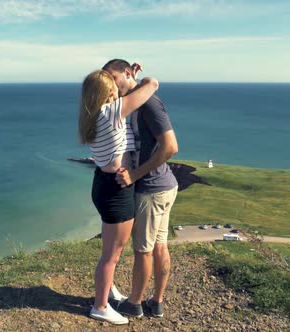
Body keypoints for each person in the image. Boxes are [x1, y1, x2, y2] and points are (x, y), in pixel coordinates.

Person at [78, 69, 159, 324]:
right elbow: (152, 85)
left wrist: (129, 77)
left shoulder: (93, 115)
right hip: (116, 189)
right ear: (105, 91)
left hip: (103, 183)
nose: (117, 87)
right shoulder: (112, 112)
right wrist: (141, 80)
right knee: (112, 255)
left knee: (110, 251)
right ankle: (100, 306)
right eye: (112, 84)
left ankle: (107, 289)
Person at [103, 59, 179, 319]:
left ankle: (134, 304)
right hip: (161, 186)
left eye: (113, 78)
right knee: (159, 247)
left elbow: (171, 147)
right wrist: (133, 80)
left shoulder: (150, 104)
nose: (111, 85)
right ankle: (156, 302)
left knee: (143, 250)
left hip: (152, 188)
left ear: (125, 73)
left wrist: (135, 174)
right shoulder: (136, 98)